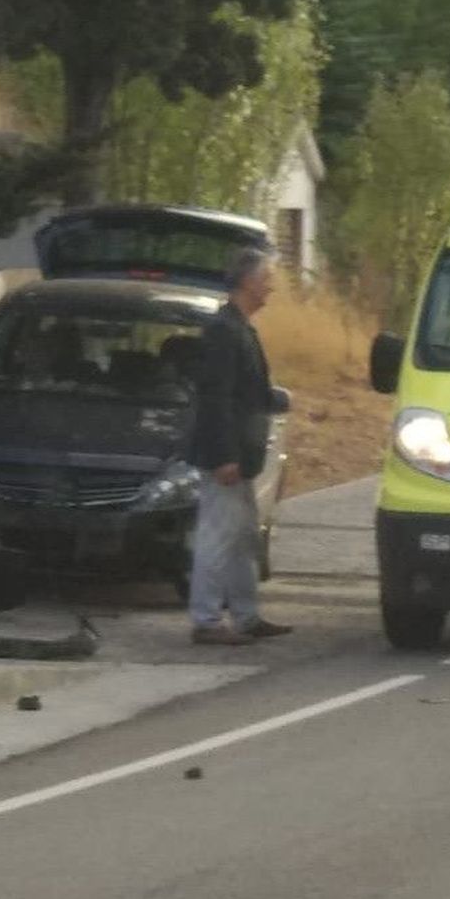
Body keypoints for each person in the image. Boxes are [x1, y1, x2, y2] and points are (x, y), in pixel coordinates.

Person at [185, 247, 293, 645]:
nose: (271, 287)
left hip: (242, 457)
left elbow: (247, 393)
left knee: (244, 537)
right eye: (266, 279)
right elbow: (216, 398)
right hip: (226, 458)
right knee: (217, 536)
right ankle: (206, 619)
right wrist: (224, 456)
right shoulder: (223, 331)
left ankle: (246, 615)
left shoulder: (239, 328)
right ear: (248, 281)